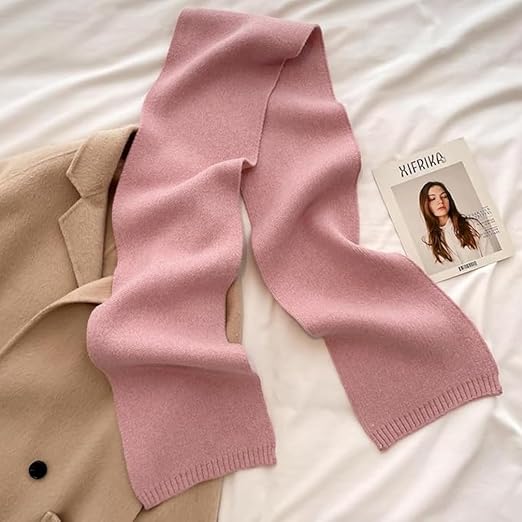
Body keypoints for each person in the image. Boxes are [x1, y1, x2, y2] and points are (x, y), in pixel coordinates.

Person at [419, 181, 494, 269]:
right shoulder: (428, 242)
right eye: (432, 199)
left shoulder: (472, 224)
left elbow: (491, 257)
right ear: (425, 205)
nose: (440, 201)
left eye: (444, 196)